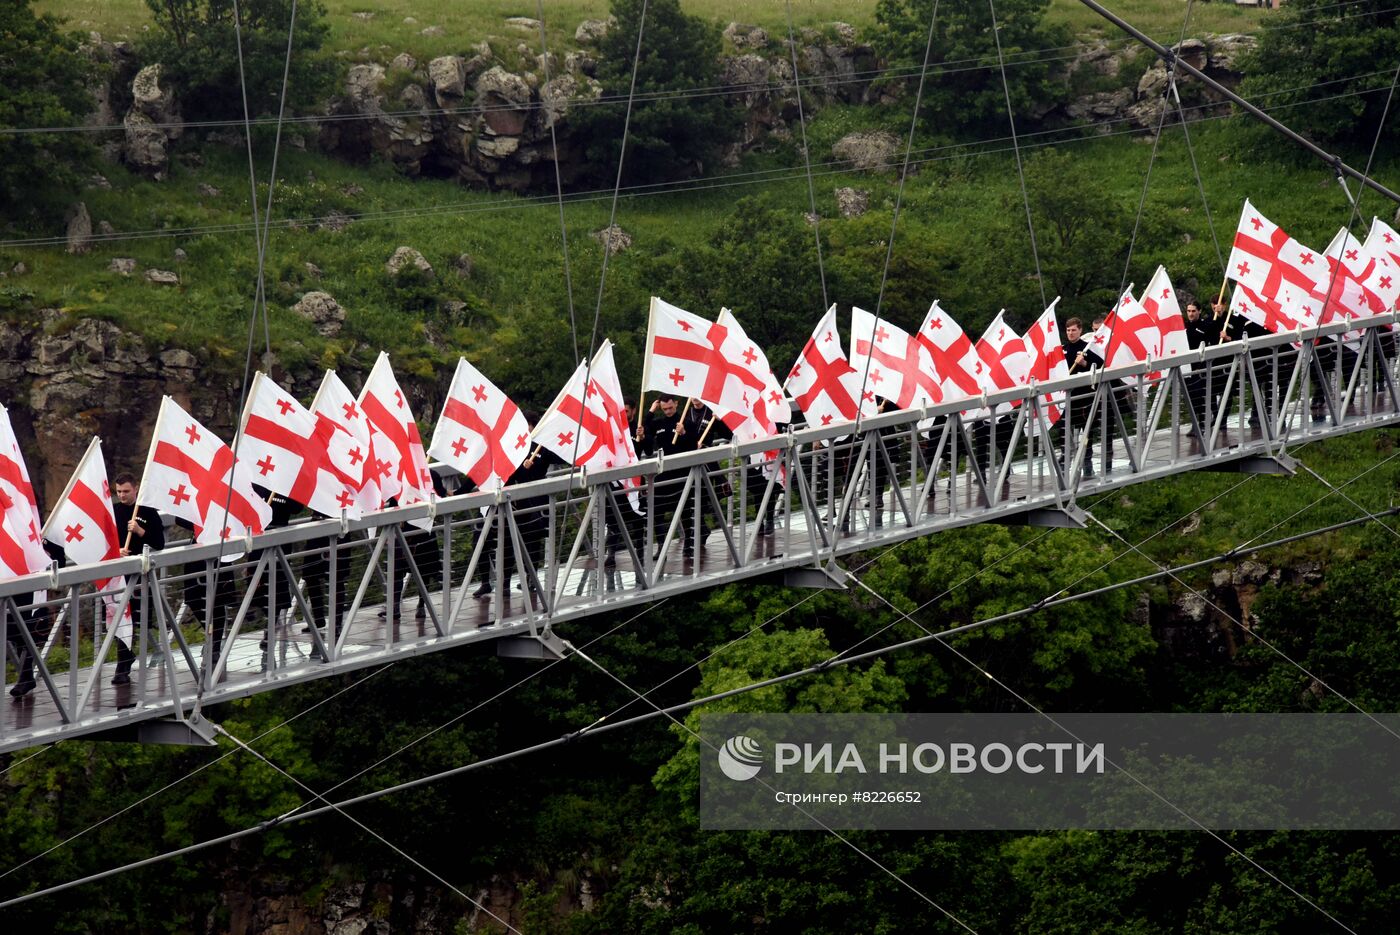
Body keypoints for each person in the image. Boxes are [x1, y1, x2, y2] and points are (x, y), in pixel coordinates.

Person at [110, 472, 165, 685]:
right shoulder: (113, 511)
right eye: (119, 492)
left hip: (140, 577)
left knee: (136, 621)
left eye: (126, 491)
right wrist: (117, 550)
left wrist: (140, 530)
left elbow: (159, 543)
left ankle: (125, 665)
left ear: (135, 489)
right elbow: (106, 540)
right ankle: (123, 663)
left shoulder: (147, 512)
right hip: (118, 575)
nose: (122, 496)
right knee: (119, 620)